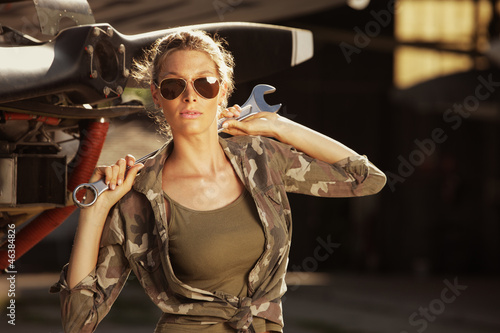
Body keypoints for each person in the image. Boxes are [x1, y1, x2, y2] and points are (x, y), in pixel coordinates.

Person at [51, 29, 386, 333]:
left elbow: (366, 179)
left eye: (204, 83)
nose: (190, 96)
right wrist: (95, 211)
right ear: (156, 95)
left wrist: (280, 127)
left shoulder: (262, 158)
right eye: (173, 85)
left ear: (223, 89)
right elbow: (79, 321)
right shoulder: (136, 195)